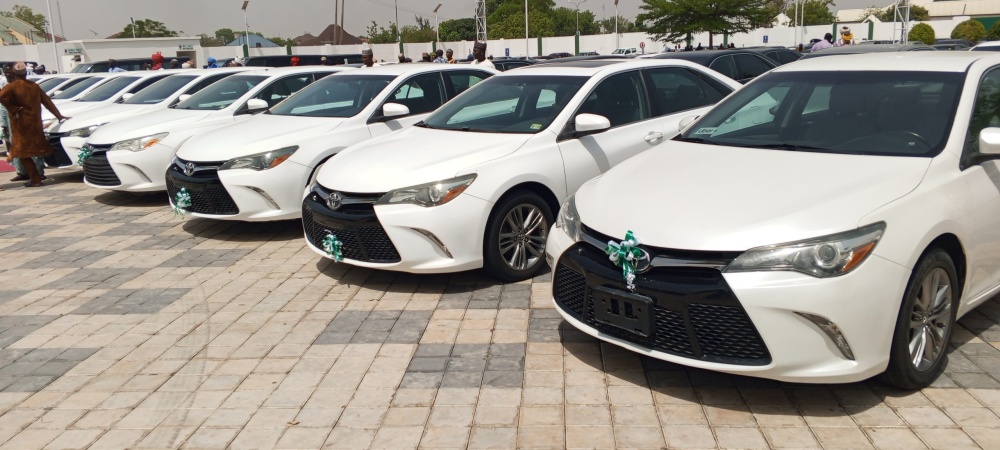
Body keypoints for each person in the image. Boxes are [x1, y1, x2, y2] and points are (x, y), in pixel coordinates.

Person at [0, 62, 66, 187]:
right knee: (32, 151)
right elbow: (47, 101)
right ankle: (36, 176)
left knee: (22, 153)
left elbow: (1, 96)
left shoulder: (12, 86)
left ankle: (35, 179)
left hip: (21, 124)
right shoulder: (34, 86)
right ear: (26, 73)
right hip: (34, 124)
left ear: (14, 74)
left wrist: (12, 108)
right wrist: (58, 115)